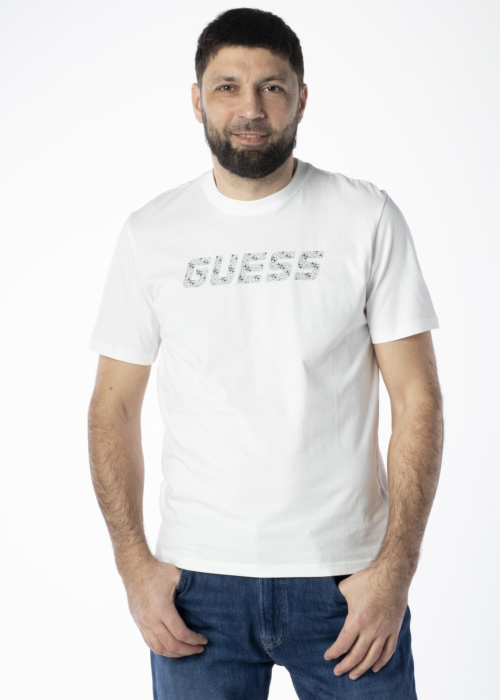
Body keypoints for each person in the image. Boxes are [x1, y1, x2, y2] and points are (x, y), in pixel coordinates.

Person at [87, 8, 443, 699]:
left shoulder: (365, 216)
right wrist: (134, 565)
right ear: (197, 100)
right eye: (227, 87)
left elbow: (417, 398)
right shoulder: (150, 233)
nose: (250, 108)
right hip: (196, 590)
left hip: (346, 584)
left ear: (301, 99)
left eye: (271, 88)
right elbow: (113, 407)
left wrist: (394, 570)